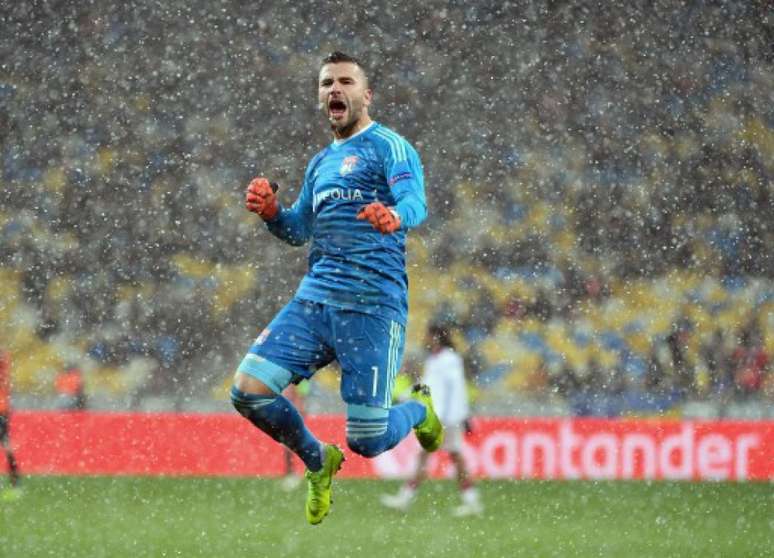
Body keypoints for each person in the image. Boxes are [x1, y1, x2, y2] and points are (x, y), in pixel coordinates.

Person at [230, 51, 443, 525]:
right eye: (326, 83)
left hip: (371, 305)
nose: (334, 89)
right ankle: (316, 459)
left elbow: (415, 201)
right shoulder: (320, 164)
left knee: (367, 440)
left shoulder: (390, 147)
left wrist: (394, 216)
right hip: (316, 299)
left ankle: (419, 410)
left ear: (366, 95)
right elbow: (299, 230)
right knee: (247, 391)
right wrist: (271, 214)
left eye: (345, 81)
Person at [380, 323, 483, 517]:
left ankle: (405, 498)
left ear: (437, 337)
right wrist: (404, 396)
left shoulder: (448, 360)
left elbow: (451, 390)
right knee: (452, 456)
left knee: (429, 456)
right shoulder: (437, 360)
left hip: (444, 417)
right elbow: (429, 387)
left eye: (430, 336)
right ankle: (471, 500)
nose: (427, 339)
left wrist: (447, 416)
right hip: (444, 416)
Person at [0, 351, 21, 501]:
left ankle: (16, 484)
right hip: (3, 410)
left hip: (1, 410)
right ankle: (16, 484)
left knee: (7, 446)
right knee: (7, 445)